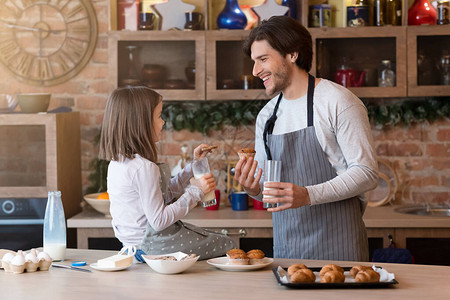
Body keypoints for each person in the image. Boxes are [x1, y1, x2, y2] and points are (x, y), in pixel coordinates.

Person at [235, 16, 378, 261]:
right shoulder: (267, 116)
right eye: (253, 62)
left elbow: (366, 172)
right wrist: (253, 188)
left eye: (263, 59)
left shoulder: (337, 101)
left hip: (340, 247)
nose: (255, 71)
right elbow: (269, 191)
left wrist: (308, 195)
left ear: (292, 53)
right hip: (287, 250)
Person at [99, 86, 234, 261]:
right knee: (226, 243)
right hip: (153, 247)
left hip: (131, 249)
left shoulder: (118, 163)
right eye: (158, 116)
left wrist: (192, 167)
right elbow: (159, 221)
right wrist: (196, 192)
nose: (163, 122)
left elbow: (160, 196)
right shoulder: (143, 168)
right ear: (141, 122)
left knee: (206, 235)